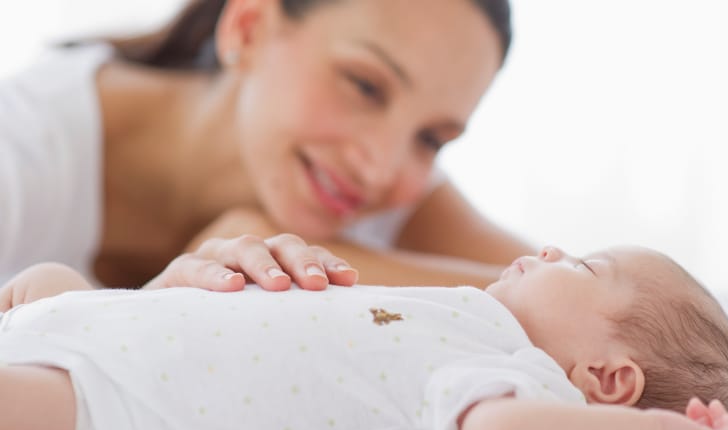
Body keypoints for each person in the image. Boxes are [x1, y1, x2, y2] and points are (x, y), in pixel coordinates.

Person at [0, 243, 728, 430]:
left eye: (582, 268)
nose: (551, 250)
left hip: (120, 395)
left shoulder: (520, 377)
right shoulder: (471, 313)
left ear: (609, 379)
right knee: (51, 283)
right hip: (112, 315)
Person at [0, 0, 531, 290]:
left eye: (431, 139)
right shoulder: (23, 145)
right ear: (249, 27)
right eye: (365, 86)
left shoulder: (397, 195)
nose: (381, 168)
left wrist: (251, 242)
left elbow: (602, 315)